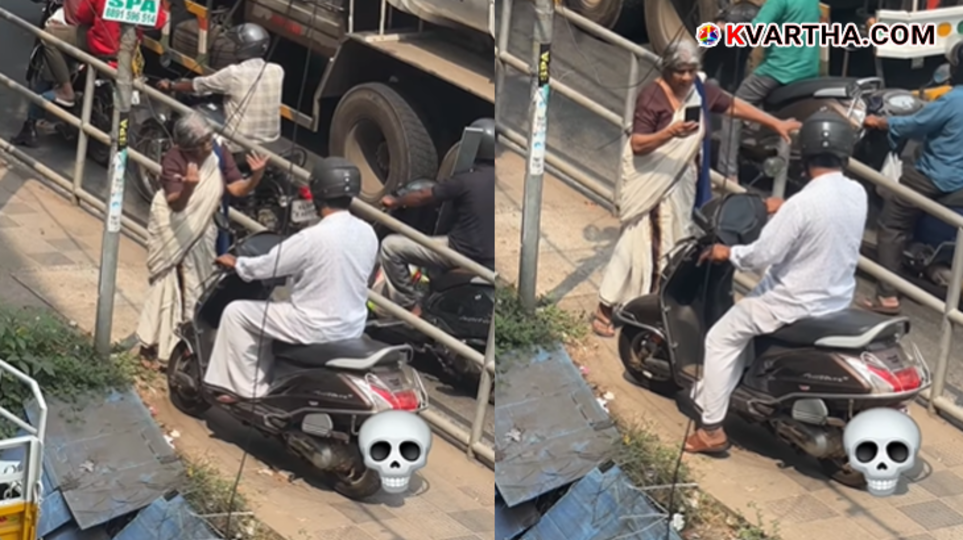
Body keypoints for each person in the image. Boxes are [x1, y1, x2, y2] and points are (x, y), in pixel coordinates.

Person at [684, 109, 868, 454]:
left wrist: (728, 253)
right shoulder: (857, 193)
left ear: (805, 153)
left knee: (722, 338)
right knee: (741, 332)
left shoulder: (802, 204)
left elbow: (760, 255)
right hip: (835, 302)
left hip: (790, 304)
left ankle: (710, 430)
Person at [591, 40, 800, 337]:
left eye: (691, 70)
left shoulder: (699, 91)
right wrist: (669, 133)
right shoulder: (652, 97)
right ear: (668, 70)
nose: (687, 77)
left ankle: (644, 310)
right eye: (681, 71)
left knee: (675, 244)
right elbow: (638, 144)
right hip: (653, 184)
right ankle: (620, 311)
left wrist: (774, 123)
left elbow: (731, 105)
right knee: (647, 245)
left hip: (682, 182)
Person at [204, 158, 378, 402]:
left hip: (312, 324)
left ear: (318, 194)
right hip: (351, 325)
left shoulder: (312, 237)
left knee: (237, 312)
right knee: (270, 314)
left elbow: (269, 266)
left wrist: (238, 263)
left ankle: (246, 390)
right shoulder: (367, 232)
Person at [136, 113, 268, 368]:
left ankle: (180, 348)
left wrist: (256, 177)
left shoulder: (218, 151)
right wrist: (188, 186)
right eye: (202, 144)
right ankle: (155, 344)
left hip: (202, 227)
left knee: (196, 284)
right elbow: (176, 205)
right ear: (187, 147)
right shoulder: (174, 159)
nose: (208, 146)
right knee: (168, 281)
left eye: (209, 139)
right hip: (172, 225)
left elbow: (236, 189)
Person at [857, 42, 963, 315]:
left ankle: (887, 296)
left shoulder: (952, 100)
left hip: (935, 178)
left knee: (892, 224)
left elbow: (917, 123)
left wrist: (883, 123)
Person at [379, 118, 495, 317]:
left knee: (391, 248)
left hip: (461, 251)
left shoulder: (465, 180)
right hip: (492, 256)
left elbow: (424, 196)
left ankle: (410, 307)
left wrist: (395, 201)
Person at [12, 0, 169, 146]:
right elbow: (159, 20)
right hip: (128, 52)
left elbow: (83, 14)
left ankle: (64, 93)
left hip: (100, 45)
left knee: (50, 36)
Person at [717, 0, 821, 184]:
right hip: (808, 69)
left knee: (733, 108)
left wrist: (724, 29)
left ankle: (727, 174)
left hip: (778, 71)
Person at [157, 23, 283, 156]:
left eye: (236, 45)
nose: (233, 48)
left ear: (242, 47)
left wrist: (171, 85)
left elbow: (199, 85)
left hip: (237, 144)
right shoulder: (277, 70)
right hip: (269, 142)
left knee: (196, 115)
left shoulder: (234, 73)